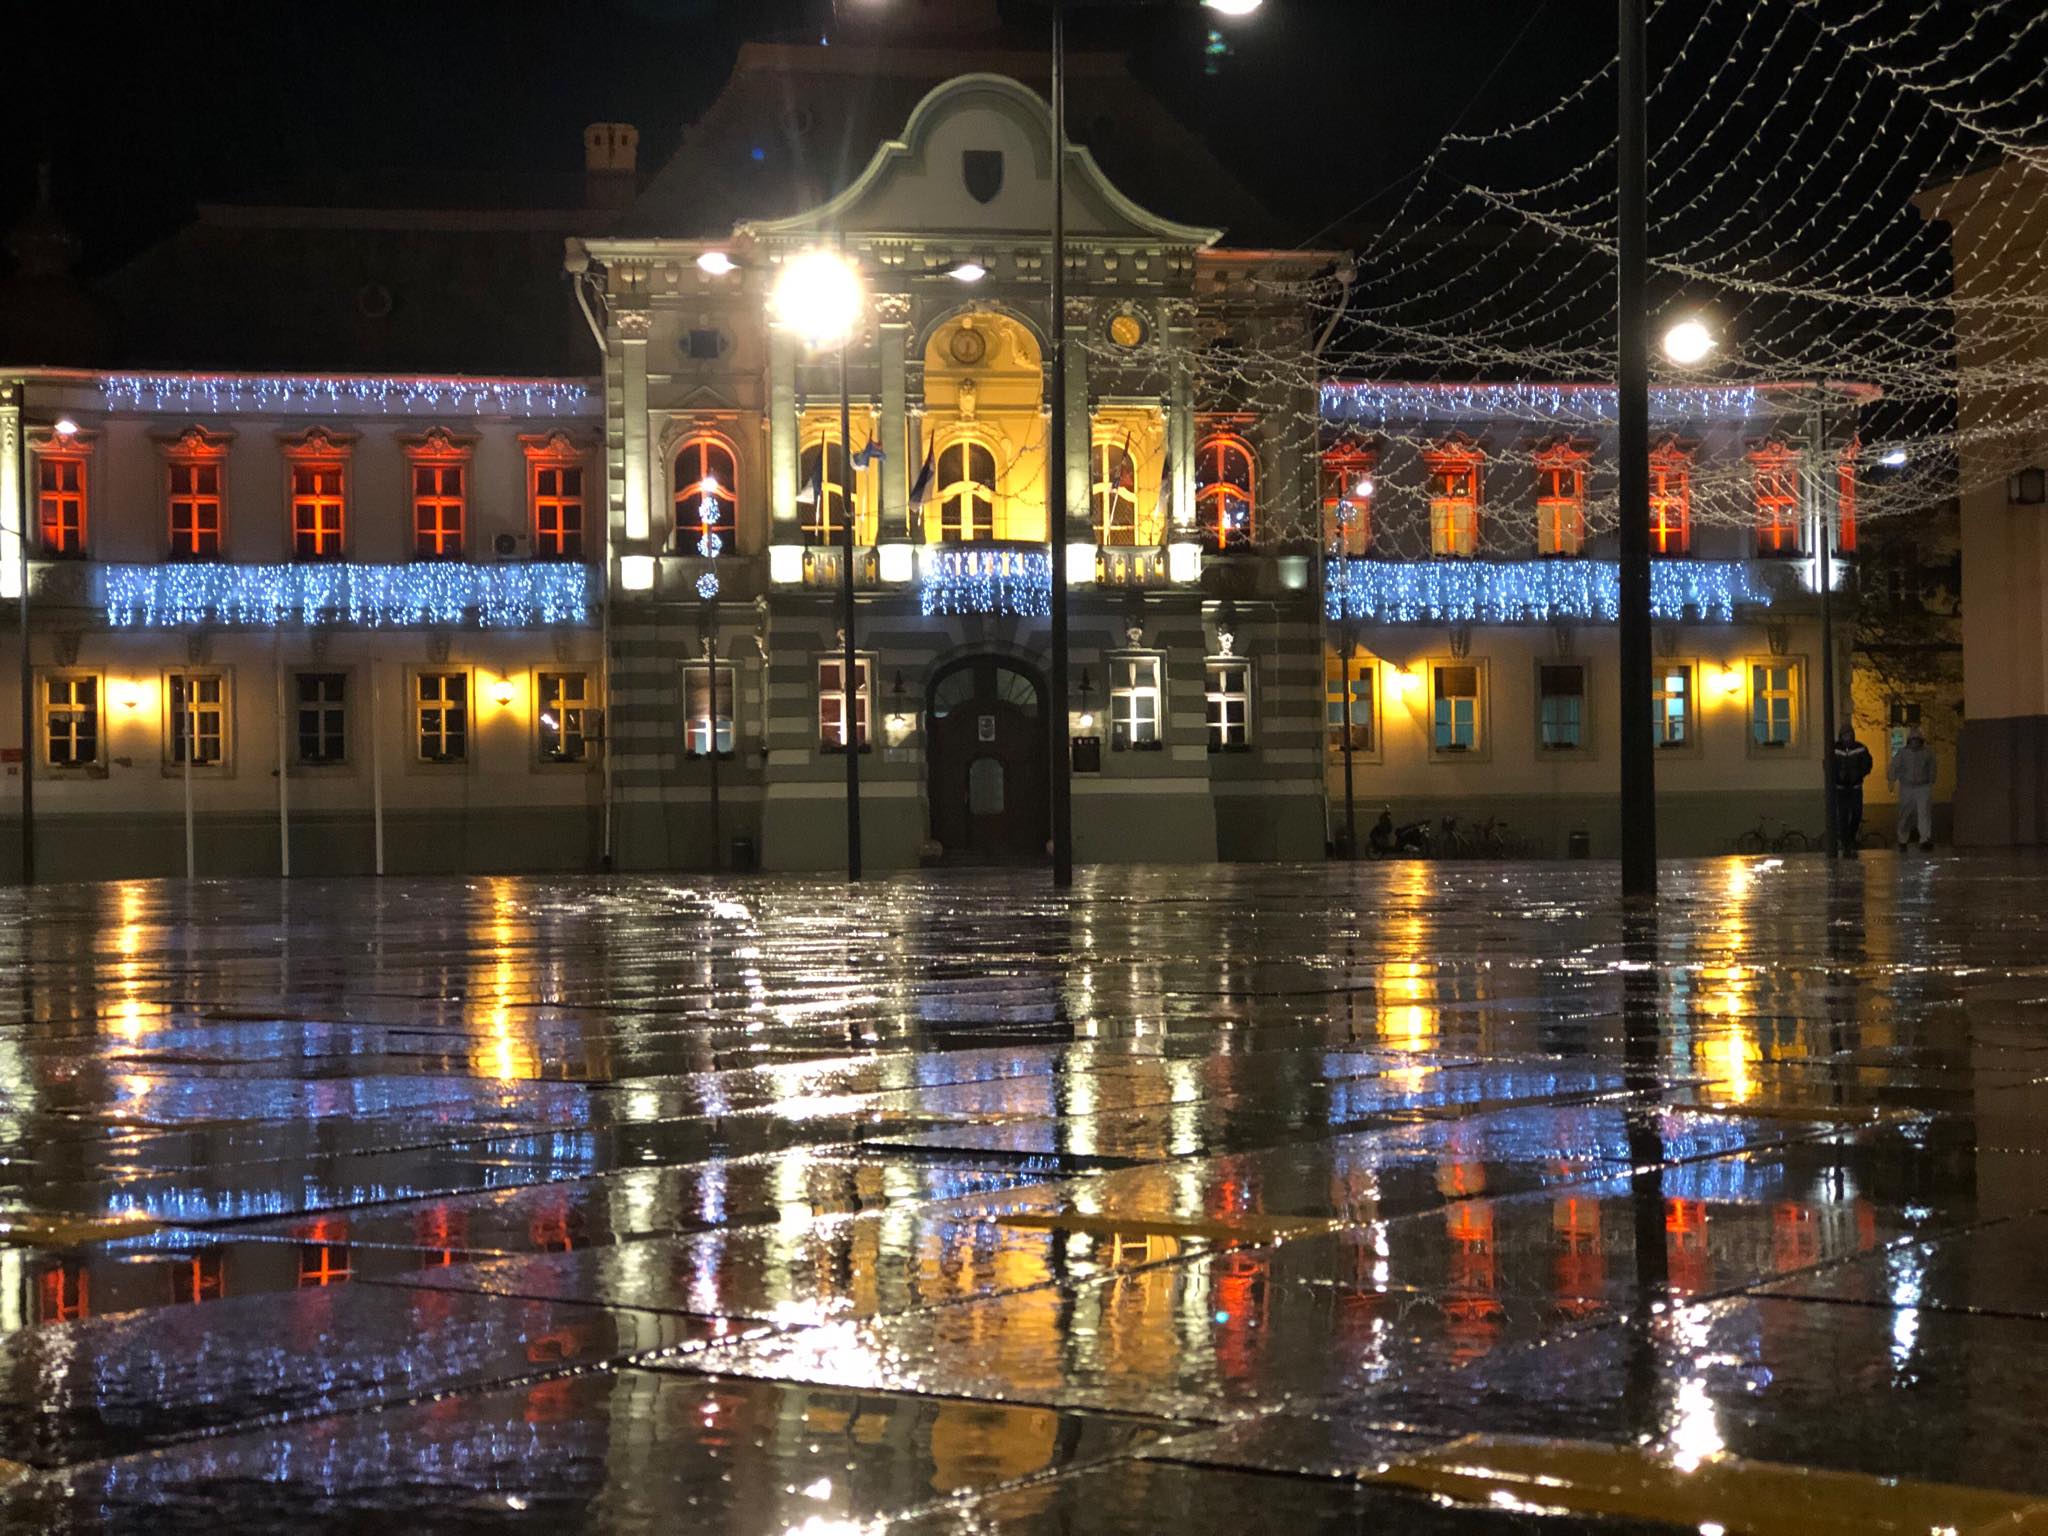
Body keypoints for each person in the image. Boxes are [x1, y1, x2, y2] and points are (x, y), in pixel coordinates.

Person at [1888, 727, 1938, 851]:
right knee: (1905, 813)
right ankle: (1903, 838)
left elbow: (1933, 767)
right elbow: (1894, 766)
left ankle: (1925, 839)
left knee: (1924, 813)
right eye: (1912, 740)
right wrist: (1891, 779)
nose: (1915, 743)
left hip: (1922, 785)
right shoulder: (1903, 754)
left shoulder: (1927, 753)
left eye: (1917, 740)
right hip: (1907, 786)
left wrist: (1931, 780)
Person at [1831, 723, 1874, 852]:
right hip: (1840, 788)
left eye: (1849, 734)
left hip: (1855, 787)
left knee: (1857, 813)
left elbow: (1868, 764)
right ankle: (1845, 842)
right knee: (1842, 816)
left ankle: (1851, 837)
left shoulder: (1860, 748)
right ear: (1841, 736)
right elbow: (1829, 765)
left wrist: (1859, 774)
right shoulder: (1834, 748)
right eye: (1844, 734)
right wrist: (1838, 775)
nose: (1847, 737)